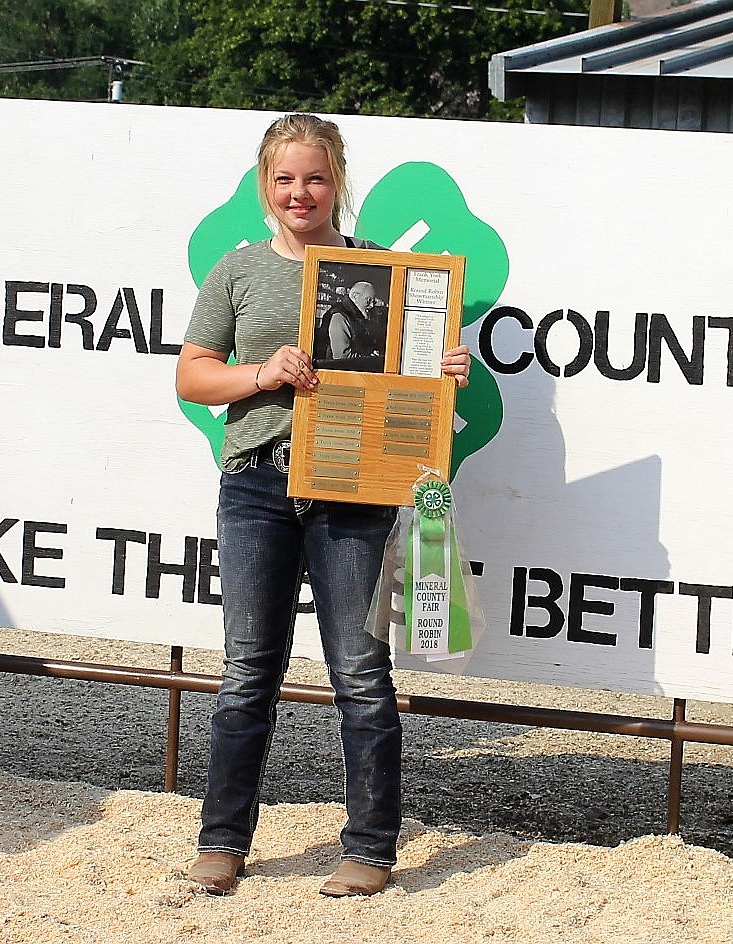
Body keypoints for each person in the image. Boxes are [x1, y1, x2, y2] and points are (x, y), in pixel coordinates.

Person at [174, 113, 471, 898]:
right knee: (247, 673)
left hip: (352, 490)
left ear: (337, 179)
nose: (298, 192)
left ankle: (370, 848)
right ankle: (222, 842)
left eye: (313, 176)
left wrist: (444, 368)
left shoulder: (385, 271)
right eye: (283, 178)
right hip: (256, 485)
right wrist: (262, 374)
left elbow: (413, 383)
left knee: (361, 675)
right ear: (264, 185)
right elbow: (193, 377)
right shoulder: (236, 271)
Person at [316, 280, 385, 371]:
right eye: (368, 300)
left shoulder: (359, 316)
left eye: (373, 302)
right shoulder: (339, 317)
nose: (371, 305)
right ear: (355, 296)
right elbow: (342, 358)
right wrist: (369, 358)